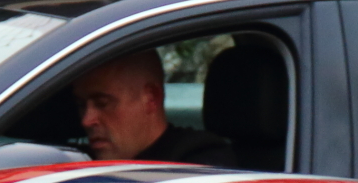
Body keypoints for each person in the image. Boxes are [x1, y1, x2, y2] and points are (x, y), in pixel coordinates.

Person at [72, 48, 238, 165]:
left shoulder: (198, 166)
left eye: (103, 104)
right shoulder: (74, 161)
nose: (87, 120)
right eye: (80, 105)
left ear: (150, 98)